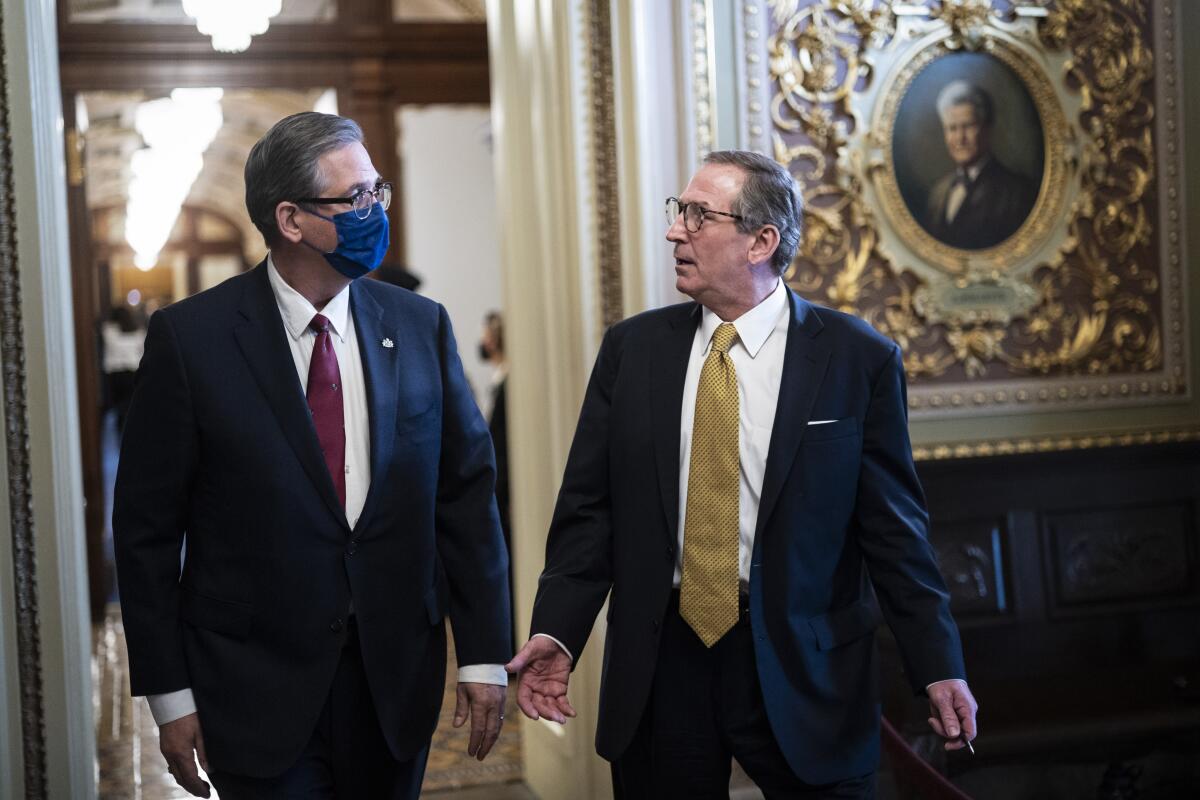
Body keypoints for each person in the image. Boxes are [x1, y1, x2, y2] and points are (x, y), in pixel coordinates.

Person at [508, 150, 978, 798]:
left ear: (762, 241)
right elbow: (590, 512)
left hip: (802, 664)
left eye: (698, 216)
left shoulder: (856, 358)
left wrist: (937, 663)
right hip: (661, 663)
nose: (676, 231)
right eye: (680, 213)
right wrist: (558, 630)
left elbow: (895, 532)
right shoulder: (633, 351)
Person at [113, 112, 512, 799]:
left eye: (377, 190)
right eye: (354, 198)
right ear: (291, 220)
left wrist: (483, 655)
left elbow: (465, 499)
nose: (374, 210)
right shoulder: (192, 340)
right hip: (251, 685)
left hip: (394, 682)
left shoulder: (419, 326)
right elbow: (147, 531)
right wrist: (169, 695)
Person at [923, 80, 1038, 249]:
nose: (960, 138)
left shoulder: (1017, 193)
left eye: (968, 126)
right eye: (952, 128)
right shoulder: (938, 193)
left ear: (987, 128)